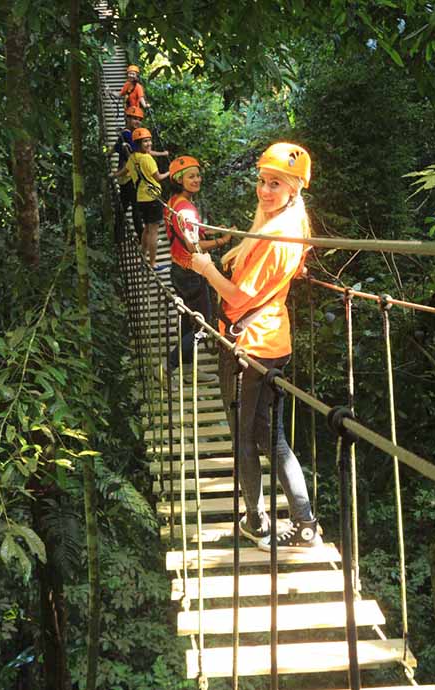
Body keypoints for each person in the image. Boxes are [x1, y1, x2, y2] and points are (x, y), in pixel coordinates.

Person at [190, 142, 321, 550]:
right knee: (268, 436)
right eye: (262, 181)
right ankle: (303, 522)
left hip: (249, 345)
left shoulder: (277, 234)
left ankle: (258, 522)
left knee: (246, 437)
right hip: (268, 338)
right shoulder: (286, 225)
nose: (265, 190)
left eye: (275, 184)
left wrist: (205, 267)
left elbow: (237, 295)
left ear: (294, 188)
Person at [161, 156, 231, 384]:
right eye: (191, 176)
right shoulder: (185, 208)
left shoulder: (174, 201)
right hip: (190, 271)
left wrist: (212, 231)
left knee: (188, 322)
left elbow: (187, 232)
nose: (197, 179)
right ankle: (168, 366)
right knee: (204, 324)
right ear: (179, 180)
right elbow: (193, 245)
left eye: (198, 175)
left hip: (178, 268)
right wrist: (222, 241)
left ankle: (188, 370)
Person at [110, 106, 169, 241]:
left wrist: (108, 155)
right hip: (132, 177)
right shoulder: (129, 135)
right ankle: (141, 238)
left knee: (124, 207)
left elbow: (117, 148)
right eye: (134, 118)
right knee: (134, 208)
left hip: (128, 176)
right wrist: (162, 154)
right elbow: (144, 152)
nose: (137, 121)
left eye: (139, 119)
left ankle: (119, 237)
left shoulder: (126, 134)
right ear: (127, 118)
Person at [127, 127, 169, 267]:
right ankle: (152, 263)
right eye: (145, 141)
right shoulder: (147, 159)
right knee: (153, 232)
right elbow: (158, 177)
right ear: (138, 143)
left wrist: (115, 175)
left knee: (146, 229)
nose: (149, 143)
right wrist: (170, 171)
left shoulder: (132, 158)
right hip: (152, 198)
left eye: (149, 140)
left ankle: (143, 256)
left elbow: (125, 171)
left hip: (140, 199)